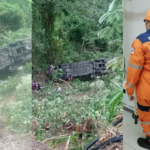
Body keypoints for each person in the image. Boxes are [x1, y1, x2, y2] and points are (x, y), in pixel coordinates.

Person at [125, 10, 150, 149]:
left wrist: (129, 90)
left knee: (146, 115)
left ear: (147, 22)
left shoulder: (140, 41)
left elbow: (134, 70)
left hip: (146, 90)